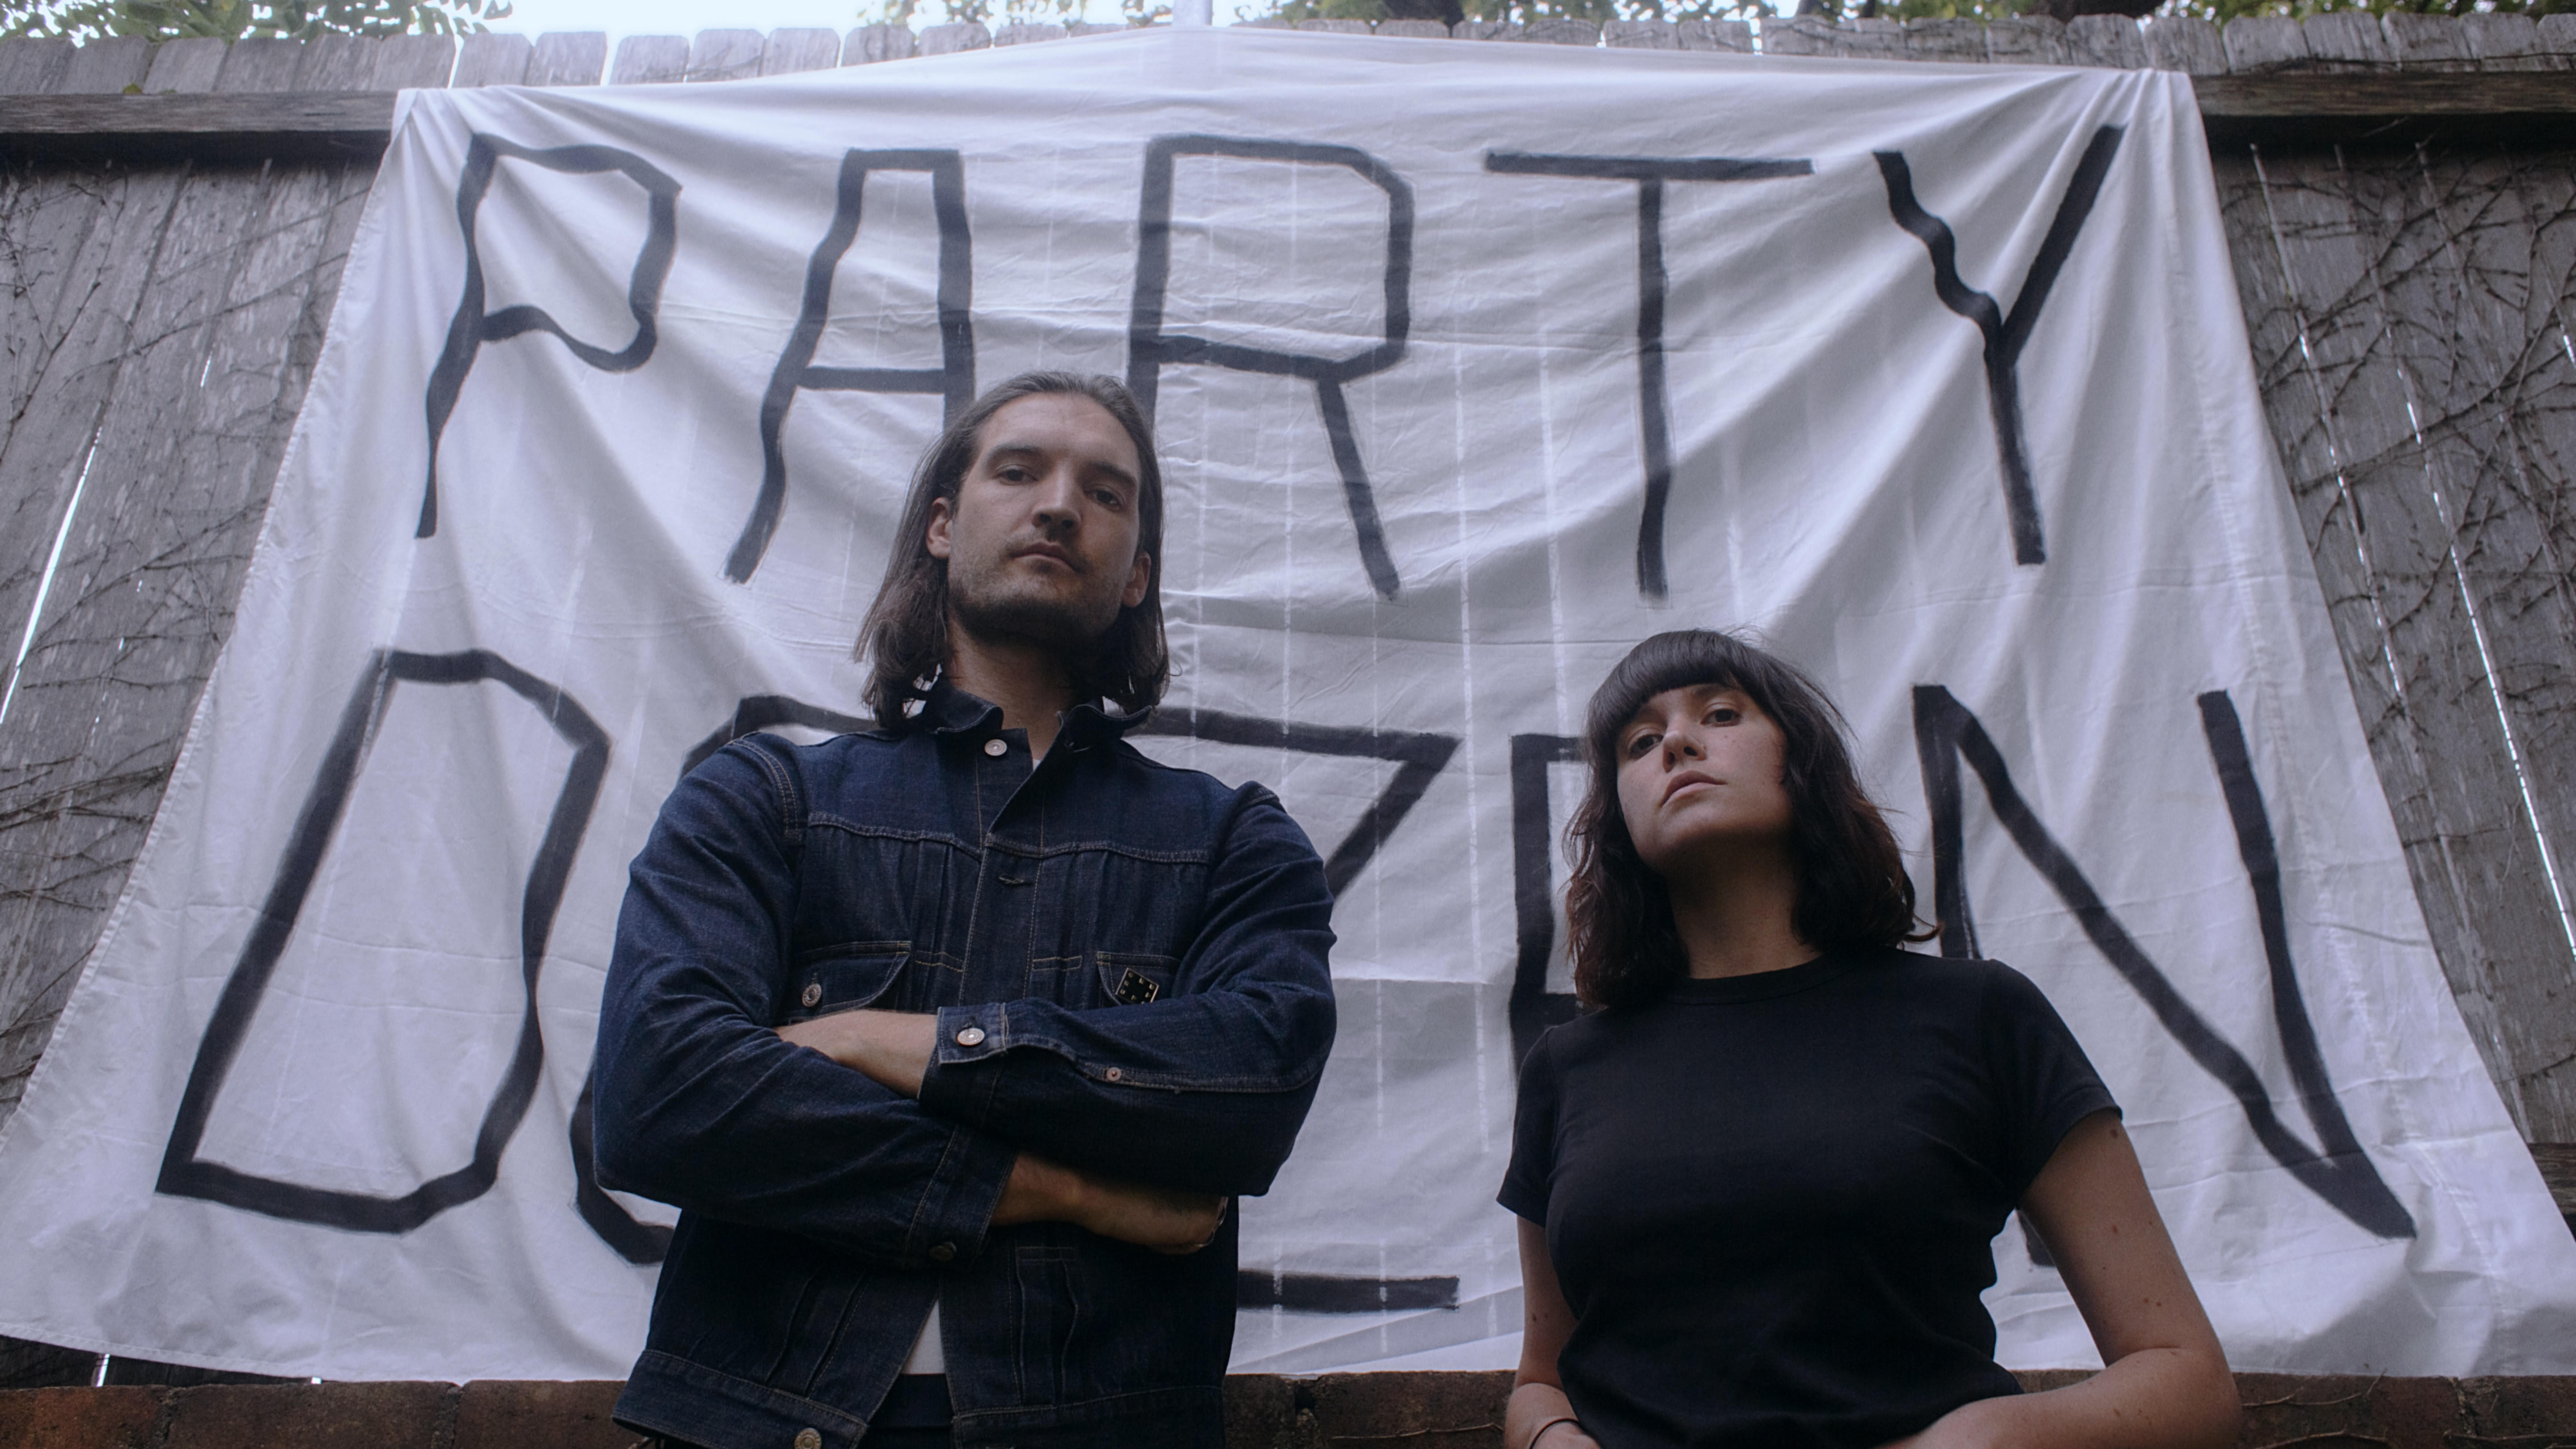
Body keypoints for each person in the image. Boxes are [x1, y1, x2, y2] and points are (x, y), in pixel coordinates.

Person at [592, 372, 1339, 1449]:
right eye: (1019, 472)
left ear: (1138, 575)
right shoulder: (766, 799)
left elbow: (1251, 1087)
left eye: (1107, 493)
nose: (1059, 506)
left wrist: (875, 1040)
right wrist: (1070, 1188)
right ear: (942, 526)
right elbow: (661, 1095)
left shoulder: (1233, 841)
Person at [1500, 630, 2240, 1449]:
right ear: (1618, 817)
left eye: (1720, 714)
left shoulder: (1982, 1016)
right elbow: (1543, 1379)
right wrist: (1547, 1439)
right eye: (1640, 743)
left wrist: (1984, 1441)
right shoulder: (1566, 1069)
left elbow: (2188, 1380)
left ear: (1801, 762)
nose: (1676, 742)